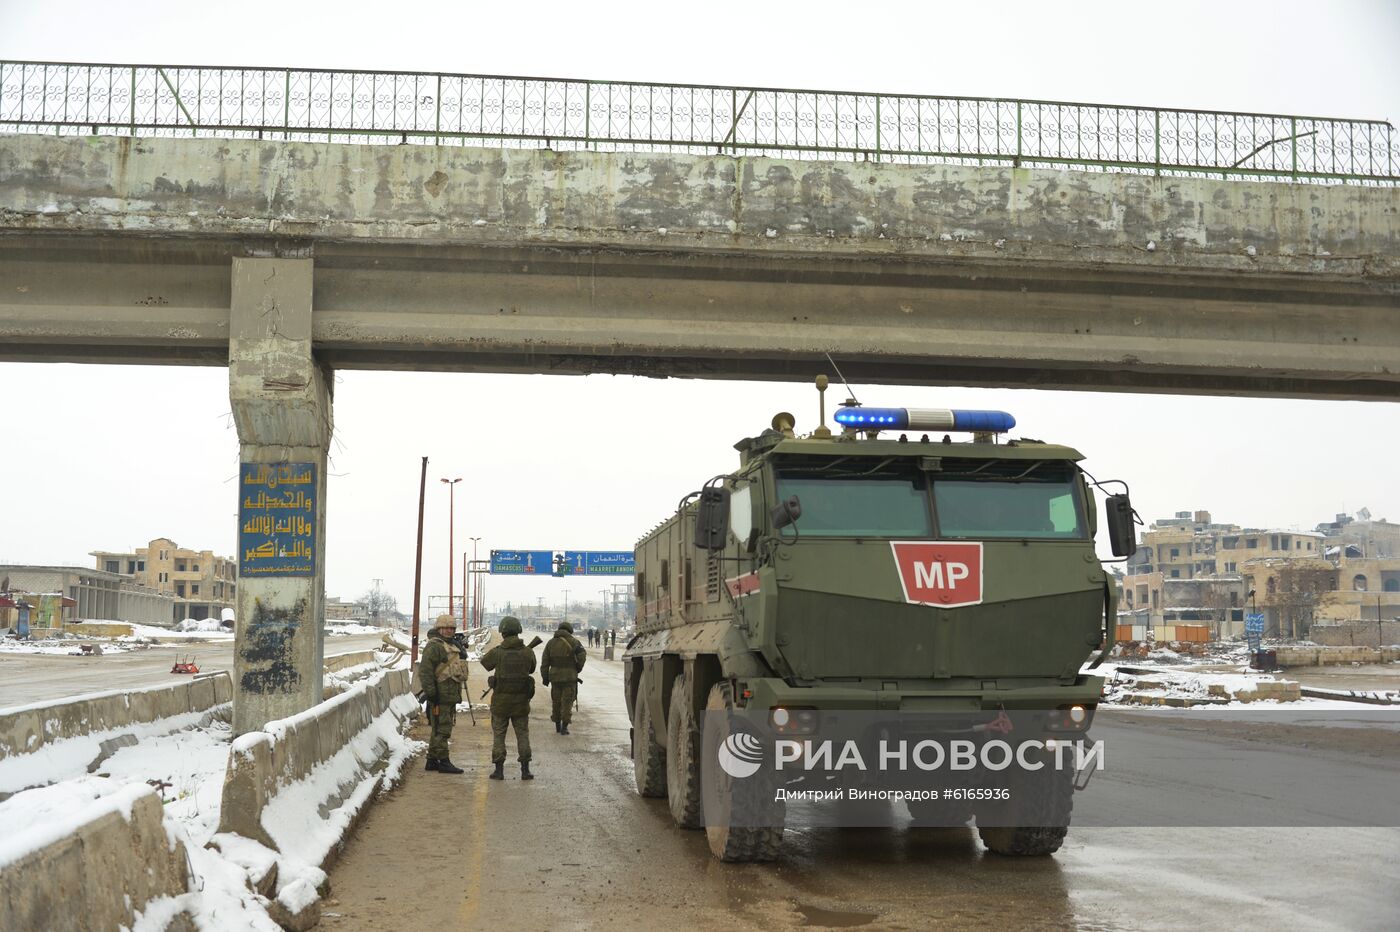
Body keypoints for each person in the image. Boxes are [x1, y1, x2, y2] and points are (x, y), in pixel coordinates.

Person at [480, 615, 536, 780]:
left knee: (499, 735)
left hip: (500, 703)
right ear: (518, 631)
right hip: (521, 703)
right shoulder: (527, 652)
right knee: (523, 735)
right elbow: (531, 669)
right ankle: (525, 770)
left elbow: (485, 663)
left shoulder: (498, 652)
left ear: (503, 632)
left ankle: (499, 770)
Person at [417, 614, 468, 774]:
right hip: (440, 695)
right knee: (443, 729)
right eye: (445, 628)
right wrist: (432, 694)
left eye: (451, 628)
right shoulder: (435, 646)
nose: (448, 631)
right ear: (438, 629)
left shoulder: (450, 645)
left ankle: (432, 760)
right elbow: (425, 672)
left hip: (448, 694)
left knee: (438, 728)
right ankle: (444, 761)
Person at [542, 620, 586, 735]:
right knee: (567, 702)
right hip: (569, 677)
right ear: (569, 631)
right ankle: (564, 727)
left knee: (556, 701)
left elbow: (545, 662)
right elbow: (582, 656)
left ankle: (557, 724)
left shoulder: (551, 643)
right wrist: (577, 669)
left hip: (555, 678)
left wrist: (545, 677)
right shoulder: (575, 642)